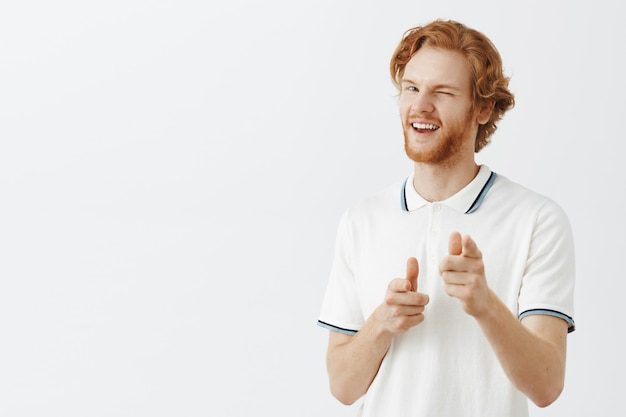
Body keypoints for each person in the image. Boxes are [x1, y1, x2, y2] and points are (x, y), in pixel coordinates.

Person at [317, 19, 575, 417]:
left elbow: (547, 385)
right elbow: (343, 387)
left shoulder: (537, 219)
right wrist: (381, 324)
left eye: (442, 92)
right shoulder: (361, 221)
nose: (420, 106)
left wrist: (485, 304)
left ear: (484, 108)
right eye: (411, 88)